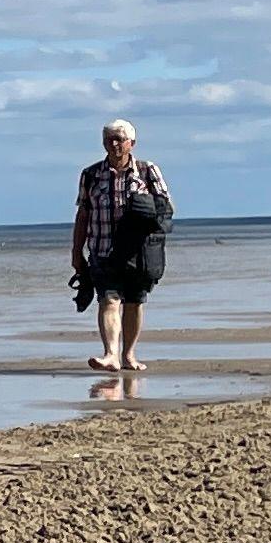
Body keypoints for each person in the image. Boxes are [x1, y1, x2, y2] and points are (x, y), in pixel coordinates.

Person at [71, 119, 174, 372]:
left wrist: (145, 208)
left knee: (135, 302)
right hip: (102, 248)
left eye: (119, 139)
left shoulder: (147, 171)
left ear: (132, 143)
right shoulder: (91, 174)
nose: (114, 144)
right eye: (109, 139)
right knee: (108, 299)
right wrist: (77, 252)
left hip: (138, 252)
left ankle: (128, 355)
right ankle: (110, 355)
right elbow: (83, 214)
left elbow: (166, 210)